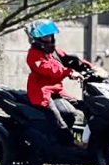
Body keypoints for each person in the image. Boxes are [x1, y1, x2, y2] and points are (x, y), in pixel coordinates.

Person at [24, 19, 84, 147]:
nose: (49, 38)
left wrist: (91, 68)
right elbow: (48, 69)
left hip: (57, 90)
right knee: (55, 116)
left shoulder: (54, 52)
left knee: (80, 106)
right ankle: (69, 143)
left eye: (50, 35)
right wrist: (68, 72)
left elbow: (71, 60)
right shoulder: (33, 55)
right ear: (37, 39)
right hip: (41, 92)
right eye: (45, 36)